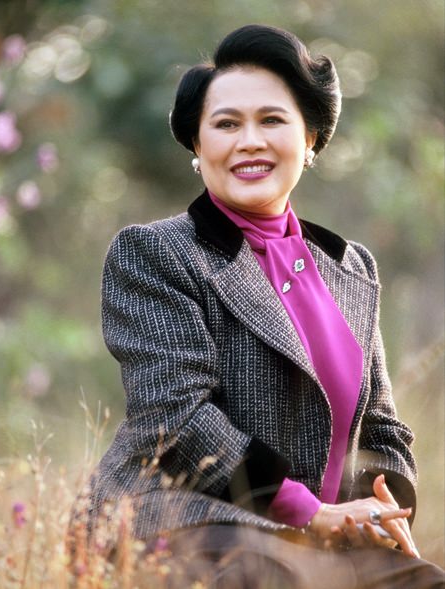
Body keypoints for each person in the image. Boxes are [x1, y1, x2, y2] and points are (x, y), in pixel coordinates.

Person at [75, 24, 445, 588]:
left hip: (319, 539)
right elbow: (178, 420)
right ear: (198, 146)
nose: (249, 141)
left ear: (311, 138)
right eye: (226, 124)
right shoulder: (154, 253)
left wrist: (378, 508)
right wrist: (310, 513)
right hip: (183, 520)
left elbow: (382, 430)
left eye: (272, 120)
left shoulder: (351, 267)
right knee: (272, 575)